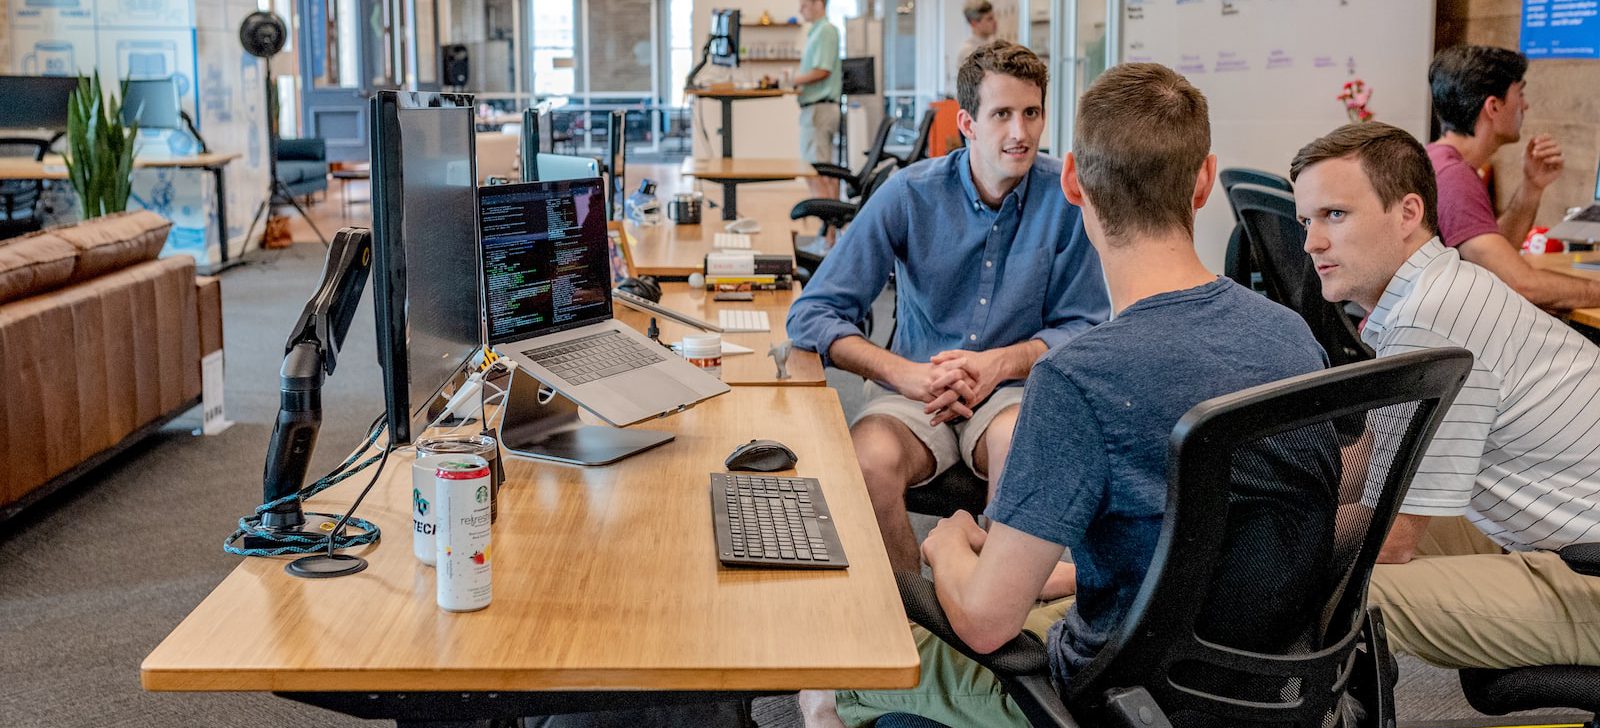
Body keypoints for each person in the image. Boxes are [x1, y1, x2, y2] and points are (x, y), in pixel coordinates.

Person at [799, 62, 1330, 728]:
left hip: (1108, 694)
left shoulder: (1078, 380)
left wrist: (947, 547)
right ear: (1202, 181)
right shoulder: (1294, 338)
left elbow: (989, 625)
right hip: (1277, 691)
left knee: (825, 682)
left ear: (1074, 181)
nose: (1017, 133)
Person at [786, 41, 1109, 575]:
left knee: (1020, 448)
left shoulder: (1068, 199)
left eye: (1031, 114)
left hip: (1012, 392)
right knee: (867, 462)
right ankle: (915, 614)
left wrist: (999, 364)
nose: (1020, 133)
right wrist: (903, 374)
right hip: (915, 389)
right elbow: (812, 313)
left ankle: (990, 612)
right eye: (1001, 114)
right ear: (967, 122)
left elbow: (1088, 326)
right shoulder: (909, 195)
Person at [1292, 121, 1600, 670]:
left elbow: (1390, 540)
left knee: (1346, 589)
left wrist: (1233, 547)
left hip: (1587, 577)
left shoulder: (1432, 318)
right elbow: (1377, 458)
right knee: (1304, 537)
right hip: (1560, 543)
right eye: (1307, 220)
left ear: (1408, 213)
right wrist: (1257, 509)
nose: (1312, 242)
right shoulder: (1436, 292)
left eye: (1335, 215)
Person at [1426, 45, 1600, 309]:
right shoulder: (1453, 178)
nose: (1525, 105)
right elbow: (1520, 283)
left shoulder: (1439, 160)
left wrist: (1532, 187)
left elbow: (1494, 260)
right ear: (1493, 107)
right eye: (1520, 93)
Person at [794, 0, 842, 202]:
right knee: (822, 173)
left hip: (819, 110)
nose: (800, 9)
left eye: (804, 4)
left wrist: (793, 80)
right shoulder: (816, 32)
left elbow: (822, 70)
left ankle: (829, 229)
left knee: (816, 173)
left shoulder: (825, 31)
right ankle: (831, 229)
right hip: (816, 109)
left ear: (818, 4)